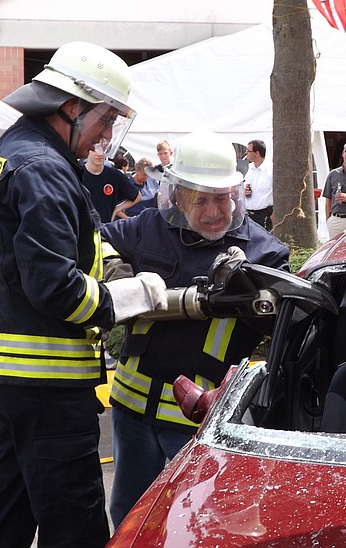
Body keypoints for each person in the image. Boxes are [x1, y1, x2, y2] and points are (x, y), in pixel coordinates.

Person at [0, 41, 167, 547]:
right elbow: (55, 287)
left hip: (0, 374)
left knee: (3, 515)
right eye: (105, 119)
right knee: (73, 524)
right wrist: (131, 297)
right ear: (72, 106)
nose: (107, 135)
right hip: (47, 381)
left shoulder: (3, 156)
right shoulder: (46, 170)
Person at [101, 130, 290, 529]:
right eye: (200, 199)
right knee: (129, 517)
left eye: (221, 197)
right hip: (132, 411)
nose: (212, 211)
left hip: (201, 419)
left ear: (237, 194)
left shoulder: (265, 252)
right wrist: (116, 276)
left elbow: (287, 336)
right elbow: (97, 240)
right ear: (178, 195)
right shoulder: (148, 227)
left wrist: (255, 299)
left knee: (196, 521)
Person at [81, 143, 140, 222]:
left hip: (104, 229)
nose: (99, 153)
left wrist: (116, 209)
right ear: (87, 151)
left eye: (103, 150)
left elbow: (137, 196)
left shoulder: (114, 175)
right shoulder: (77, 173)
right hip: (80, 229)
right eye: (95, 150)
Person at [243, 139, 274, 230]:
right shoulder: (248, 169)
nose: (246, 153)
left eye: (248, 151)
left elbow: (278, 193)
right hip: (248, 214)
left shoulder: (271, 170)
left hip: (265, 215)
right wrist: (244, 191)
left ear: (257, 153)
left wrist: (274, 214)